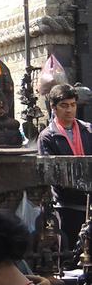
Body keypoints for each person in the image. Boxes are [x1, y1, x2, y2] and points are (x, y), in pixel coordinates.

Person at [37, 83, 92, 250]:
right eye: (64, 105)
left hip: (90, 203)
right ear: (53, 107)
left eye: (73, 105)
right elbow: (51, 173)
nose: (69, 110)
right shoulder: (48, 137)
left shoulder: (88, 130)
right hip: (67, 206)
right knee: (70, 256)